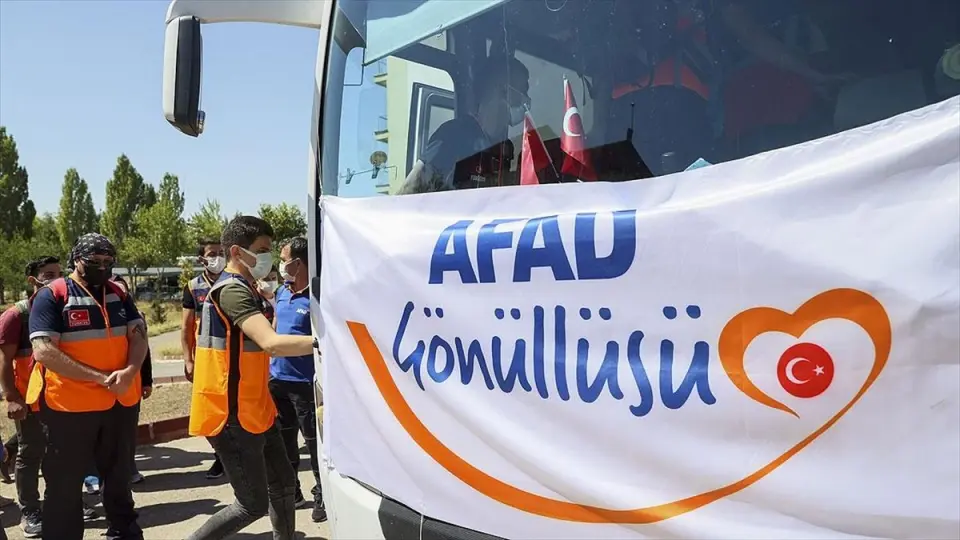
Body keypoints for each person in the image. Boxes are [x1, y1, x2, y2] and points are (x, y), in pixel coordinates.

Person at [187, 216, 313, 540]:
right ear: (236, 252)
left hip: (256, 406)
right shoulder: (231, 291)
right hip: (232, 413)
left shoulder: (248, 288)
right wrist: (325, 343)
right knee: (251, 503)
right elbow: (271, 342)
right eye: (262, 250)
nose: (268, 257)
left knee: (283, 482)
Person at [27, 233, 146, 540]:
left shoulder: (118, 293)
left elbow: (138, 335)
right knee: (64, 485)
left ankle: (124, 532)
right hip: (70, 408)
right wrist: (100, 378)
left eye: (108, 261)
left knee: (119, 479)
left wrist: (131, 370)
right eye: (94, 261)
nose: (102, 267)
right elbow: (44, 351)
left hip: (119, 402)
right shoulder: (53, 295)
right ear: (76, 260)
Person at [398, 54, 530, 194]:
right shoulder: (453, 136)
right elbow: (408, 191)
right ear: (502, 91)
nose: (526, 101)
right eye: (523, 92)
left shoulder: (506, 148)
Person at [0, 256, 61, 538]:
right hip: (29, 399)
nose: (56, 279)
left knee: (61, 453)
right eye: (48, 274)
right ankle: (30, 511)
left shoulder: (62, 308)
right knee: (31, 452)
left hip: (61, 398)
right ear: (32, 280)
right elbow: (4, 361)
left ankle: (62, 503)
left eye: (59, 273)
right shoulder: (16, 315)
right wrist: (12, 398)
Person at [269, 238, 326, 522]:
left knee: (314, 443)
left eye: (284, 260)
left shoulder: (317, 297)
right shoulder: (281, 292)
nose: (280, 265)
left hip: (304, 383)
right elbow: (274, 329)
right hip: (278, 380)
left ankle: (322, 494)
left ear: (298, 263)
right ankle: (293, 491)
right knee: (284, 443)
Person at [182, 238, 226, 479]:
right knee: (208, 409)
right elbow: (186, 327)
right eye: (212, 254)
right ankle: (220, 455)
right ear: (202, 258)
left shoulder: (233, 280)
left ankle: (234, 454)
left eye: (221, 252)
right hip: (205, 358)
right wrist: (188, 360)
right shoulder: (193, 286)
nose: (217, 257)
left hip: (231, 355)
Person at [110, 274, 153, 485]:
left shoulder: (136, 316)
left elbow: (145, 353)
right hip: (102, 385)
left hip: (131, 386)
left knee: (128, 431)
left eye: (122, 289)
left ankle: (130, 466)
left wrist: (147, 381)